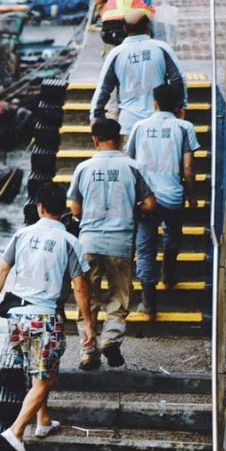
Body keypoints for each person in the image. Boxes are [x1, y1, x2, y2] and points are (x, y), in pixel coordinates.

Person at [0, 184, 95, 451]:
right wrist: (89, 324)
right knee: (46, 378)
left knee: (36, 371)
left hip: (18, 318)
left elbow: (1, 270)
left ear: (40, 208)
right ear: (65, 211)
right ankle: (16, 431)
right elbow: (80, 287)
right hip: (45, 317)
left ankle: (43, 421)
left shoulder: (22, 234)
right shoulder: (70, 241)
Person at [67, 118, 157, 369]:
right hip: (121, 242)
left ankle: (88, 352)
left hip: (89, 243)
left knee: (88, 299)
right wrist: (132, 207)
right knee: (119, 295)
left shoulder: (83, 168)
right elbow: (150, 204)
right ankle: (111, 339)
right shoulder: (132, 166)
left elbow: (74, 207)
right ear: (120, 139)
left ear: (95, 140)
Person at [124, 83, 199, 315]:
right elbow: (188, 166)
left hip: (147, 201)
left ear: (154, 104)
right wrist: (192, 195)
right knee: (173, 236)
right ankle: (169, 274)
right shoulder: (185, 127)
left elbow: (130, 164)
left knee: (145, 249)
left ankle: (148, 303)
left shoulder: (139, 126)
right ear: (177, 106)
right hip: (173, 197)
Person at [90, 10, 186, 138]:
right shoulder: (162, 48)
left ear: (124, 28)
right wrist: (180, 106)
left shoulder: (116, 54)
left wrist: (96, 116)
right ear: (148, 27)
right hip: (160, 124)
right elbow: (178, 80)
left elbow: (104, 89)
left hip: (128, 126)